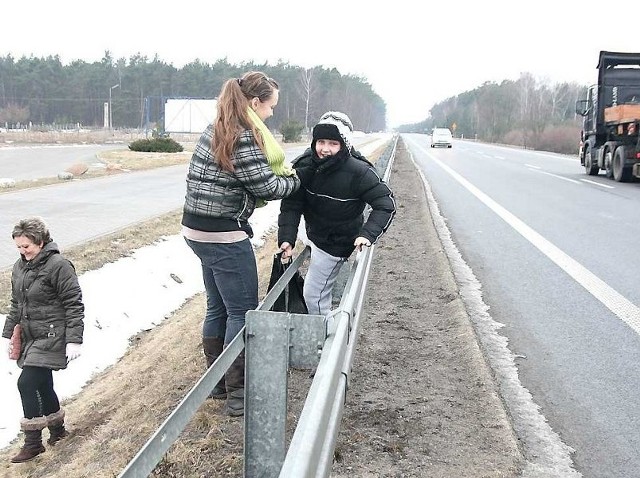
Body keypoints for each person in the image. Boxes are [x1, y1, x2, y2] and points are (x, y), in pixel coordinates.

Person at [182, 71, 301, 417]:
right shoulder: (244, 135)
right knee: (242, 311)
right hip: (224, 235)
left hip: (196, 230)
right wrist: (295, 183)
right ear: (254, 103)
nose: (272, 114)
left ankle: (216, 384)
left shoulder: (217, 126)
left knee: (217, 307)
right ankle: (238, 394)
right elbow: (266, 187)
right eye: (270, 106)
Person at [278, 111, 396, 316]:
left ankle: (324, 340)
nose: (325, 149)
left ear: (344, 145)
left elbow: (385, 204)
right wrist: (287, 238)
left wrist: (367, 234)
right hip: (314, 232)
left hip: (335, 243)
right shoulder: (304, 165)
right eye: (320, 142)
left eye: (333, 143)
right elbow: (292, 204)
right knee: (313, 287)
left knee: (314, 295)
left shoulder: (359, 172)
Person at [1, 217, 84, 463]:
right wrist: (8, 333)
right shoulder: (19, 267)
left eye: (26, 246)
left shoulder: (59, 265)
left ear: (41, 241)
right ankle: (58, 432)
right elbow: (17, 303)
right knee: (42, 383)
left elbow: (73, 303)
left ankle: (33, 443)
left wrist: (74, 340)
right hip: (31, 335)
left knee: (26, 383)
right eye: (18, 247)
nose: (22, 251)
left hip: (53, 334)